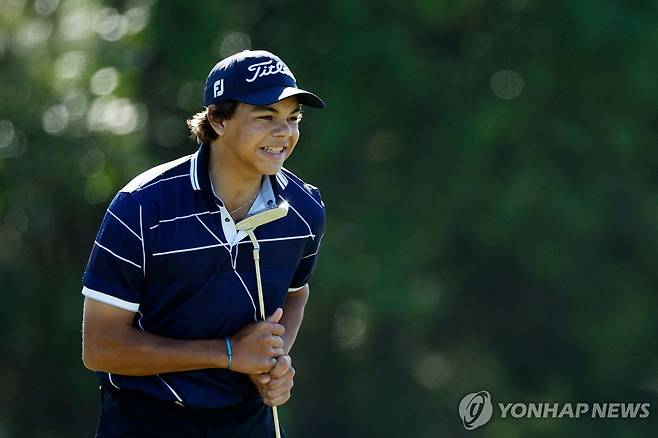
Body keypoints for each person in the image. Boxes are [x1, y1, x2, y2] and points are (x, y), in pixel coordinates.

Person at [81, 49, 326, 437]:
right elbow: (101, 347)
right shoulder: (143, 206)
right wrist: (229, 354)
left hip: (245, 419)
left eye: (292, 119)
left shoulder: (304, 209)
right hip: (146, 418)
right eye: (265, 117)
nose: (284, 133)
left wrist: (271, 359)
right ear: (217, 119)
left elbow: (296, 292)